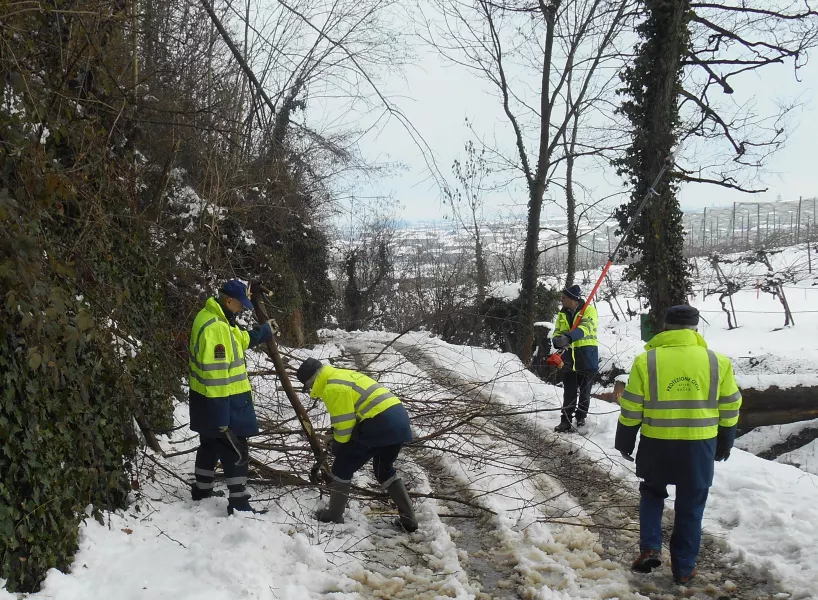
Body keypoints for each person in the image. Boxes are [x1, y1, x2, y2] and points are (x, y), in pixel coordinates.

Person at [615, 305, 742, 585]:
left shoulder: (646, 361)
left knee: (651, 493)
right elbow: (731, 406)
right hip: (699, 447)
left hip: (657, 444)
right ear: (696, 328)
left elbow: (632, 407)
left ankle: (650, 547)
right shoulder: (717, 362)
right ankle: (684, 568)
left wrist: (625, 440)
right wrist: (726, 441)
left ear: (666, 327)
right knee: (691, 506)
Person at [295, 358, 417, 532]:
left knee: (342, 468)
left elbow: (344, 427)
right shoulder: (342, 375)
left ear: (311, 382)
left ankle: (334, 514)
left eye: (309, 388)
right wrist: (334, 433)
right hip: (398, 419)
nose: (311, 391)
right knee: (384, 469)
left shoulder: (332, 387)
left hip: (379, 422)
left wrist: (336, 446)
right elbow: (352, 413)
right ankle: (409, 519)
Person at [188, 280, 274, 515]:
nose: (242, 309)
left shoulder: (217, 318)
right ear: (228, 301)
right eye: (240, 305)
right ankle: (239, 504)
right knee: (236, 451)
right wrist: (222, 418)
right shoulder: (216, 328)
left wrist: (262, 333)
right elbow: (216, 377)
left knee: (210, 444)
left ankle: (202, 489)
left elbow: (238, 341)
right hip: (224, 402)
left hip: (206, 400)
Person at [552, 284, 599, 432]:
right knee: (569, 391)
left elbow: (586, 328)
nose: (561, 299)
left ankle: (581, 417)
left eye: (564, 297)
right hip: (569, 358)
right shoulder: (562, 314)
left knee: (585, 392)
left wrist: (568, 337)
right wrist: (557, 340)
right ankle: (565, 420)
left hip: (586, 355)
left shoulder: (589, 310)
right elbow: (557, 331)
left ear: (572, 299)